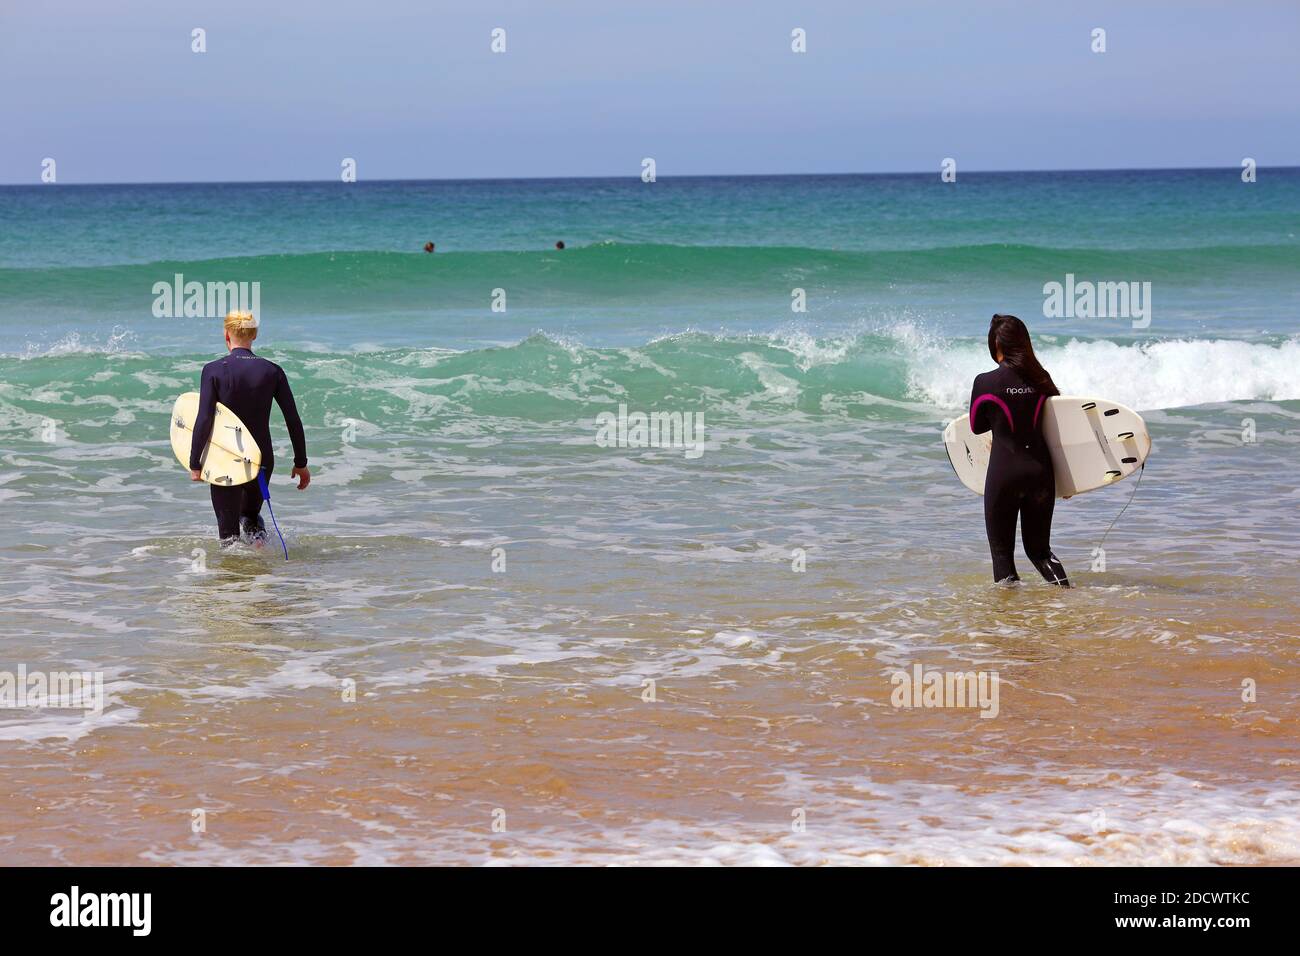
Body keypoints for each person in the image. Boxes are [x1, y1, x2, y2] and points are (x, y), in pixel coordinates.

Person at [189, 311, 310, 545]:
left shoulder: (213, 370)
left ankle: (236, 575)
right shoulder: (272, 370)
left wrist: (195, 463)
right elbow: (292, 419)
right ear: (254, 335)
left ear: (226, 334)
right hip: (261, 458)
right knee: (251, 516)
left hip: (226, 457)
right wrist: (301, 463)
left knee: (229, 537)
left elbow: (204, 419)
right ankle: (260, 550)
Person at [969, 314, 1070, 586]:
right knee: (1040, 551)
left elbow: (976, 427)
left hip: (1004, 475)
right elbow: (1058, 427)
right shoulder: (1042, 380)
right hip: (1041, 475)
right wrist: (1069, 480)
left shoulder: (984, 383)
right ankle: (1067, 598)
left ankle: (1011, 623)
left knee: (1002, 556)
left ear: (996, 346)